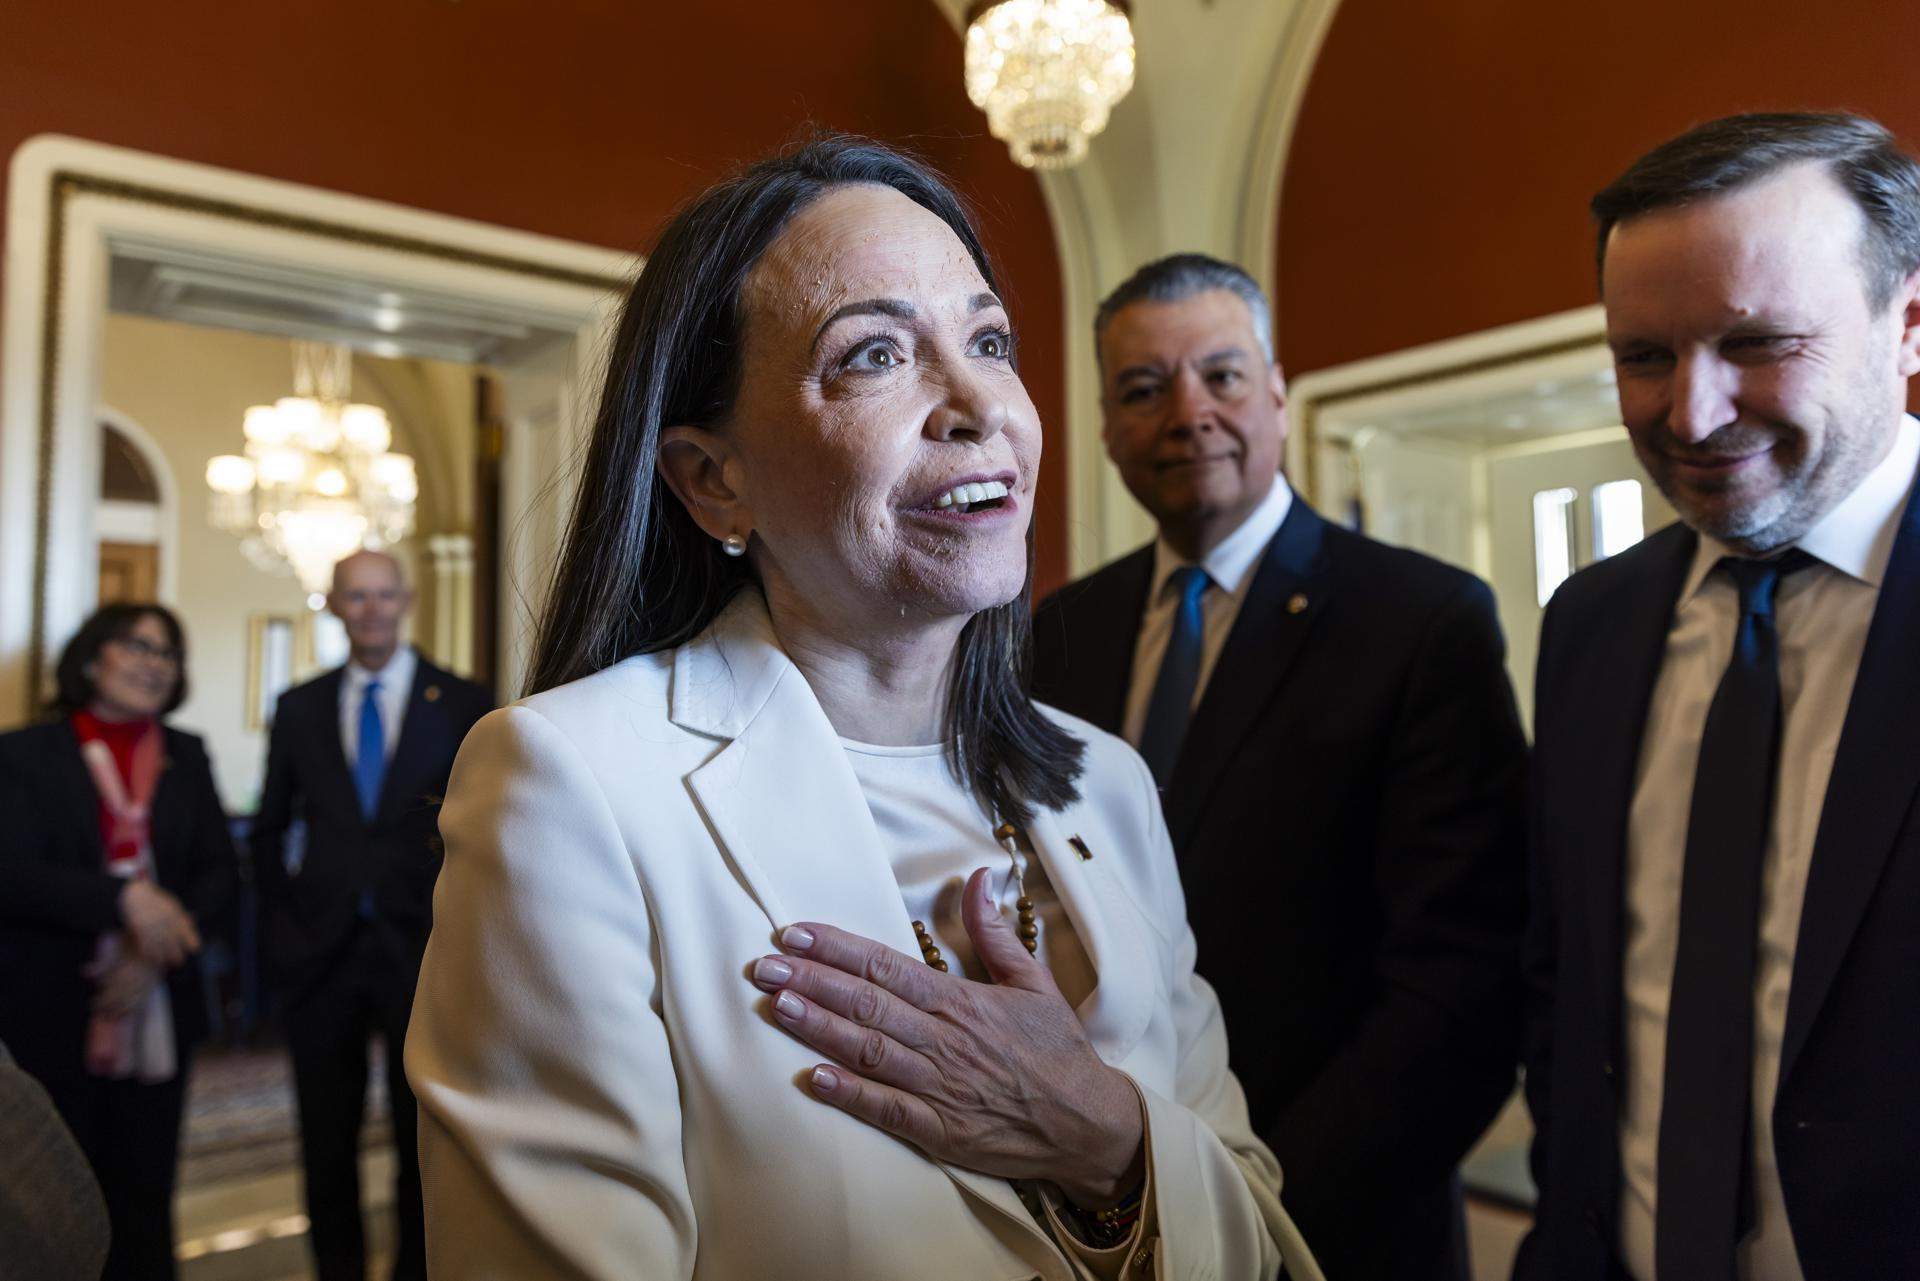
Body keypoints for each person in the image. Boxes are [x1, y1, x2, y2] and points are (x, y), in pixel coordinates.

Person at [405, 135, 1323, 1281]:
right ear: (712, 479)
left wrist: (1106, 1143)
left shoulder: (1107, 783)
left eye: (990, 342)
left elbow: (1257, 1224)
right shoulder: (570, 784)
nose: (978, 406)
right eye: (875, 355)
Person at [1032, 253, 1528, 1281]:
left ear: (1276, 395)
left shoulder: (1422, 621)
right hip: (1098, 1202)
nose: (1188, 414)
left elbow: (1460, 983)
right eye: (1144, 389)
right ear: (1107, 429)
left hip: (1335, 1221)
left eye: (1220, 375)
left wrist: (1248, 1208)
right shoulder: (1062, 630)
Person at [1518, 112, 1920, 1281]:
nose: (1690, 415)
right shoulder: (1590, 623)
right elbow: (1567, 989)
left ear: (1905, 324)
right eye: (1644, 357)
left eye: (1758, 343)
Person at [251, 549, 490, 1281]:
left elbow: (486, 828)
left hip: (424, 947)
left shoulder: (462, 701)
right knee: (325, 1135)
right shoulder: (300, 706)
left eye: (384, 594)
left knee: (423, 1135)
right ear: (335, 605)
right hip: (319, 952)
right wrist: (284, 927)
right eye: (356, 596)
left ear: (406, 600)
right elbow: (269, 829)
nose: (372, 609)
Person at [0, 602, 236, 1280]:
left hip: (160, 1001)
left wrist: (152, 955)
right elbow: (12, 873)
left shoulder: (186, 754)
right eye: (137, 645)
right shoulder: (25, 754)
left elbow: (220, 875)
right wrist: (122, 900)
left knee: (145, 1198)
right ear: (91, 657)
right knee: (53, 1202)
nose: (153, 664)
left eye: (167, 653)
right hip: (51, 1007)